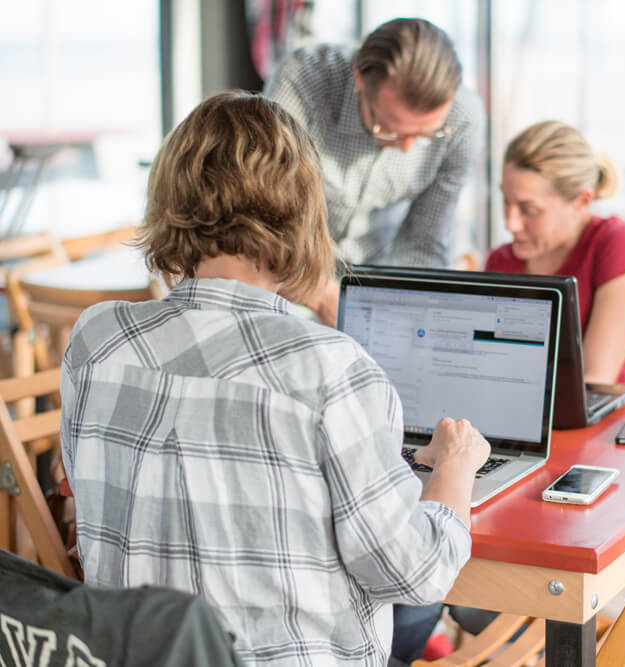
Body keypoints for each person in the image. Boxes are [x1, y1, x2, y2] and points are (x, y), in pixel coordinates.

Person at [60, 90, 491, 667]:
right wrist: (458, 463)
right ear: (301, 212)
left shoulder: (96, 340)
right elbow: (414, 573)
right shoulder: (330, 368)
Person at [265, 17, 486, 326]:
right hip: (287, 279)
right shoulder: (303, 80)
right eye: (389, 130)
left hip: (380, 281)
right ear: (359, 79)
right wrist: (322, 295)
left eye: (424, 136)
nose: (407, 148)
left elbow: (424, 241)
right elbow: (265, 220)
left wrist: (412, 314)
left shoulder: (464, 118)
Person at [486, 120, 625, 396]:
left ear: (582, 201)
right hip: (531, 429)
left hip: (612, 430)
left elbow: (593, 382)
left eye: (529, 209)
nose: (511, 223)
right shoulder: (500, 261)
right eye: (506, 201)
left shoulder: (617, 244)